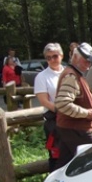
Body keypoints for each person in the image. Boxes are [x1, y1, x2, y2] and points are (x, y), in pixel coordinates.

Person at [54, 42, 92, 168]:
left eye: (89, 62)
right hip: (76, 128)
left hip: (71, 127)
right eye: (85, 61)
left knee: (64, 164)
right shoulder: (71, 76)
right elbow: (62, 104)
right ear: (75, 58)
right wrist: (87, 113)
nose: (88, 66)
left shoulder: (75, 74)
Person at [34, 43, 65, 171]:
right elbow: (44, 101)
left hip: (72, 119)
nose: (52, 60)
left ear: (61, 56)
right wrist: (62, 111)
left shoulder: (69, 72)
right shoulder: (42, 77)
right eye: (48, 57)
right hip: (55, 120)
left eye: (55, 56)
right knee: (57, 156)